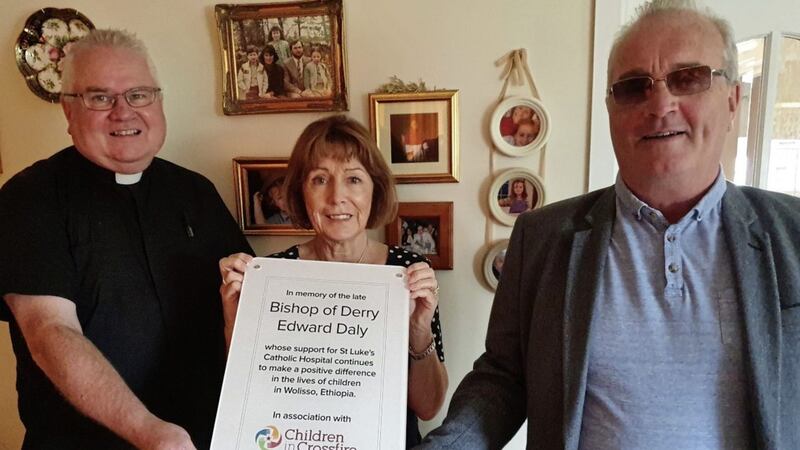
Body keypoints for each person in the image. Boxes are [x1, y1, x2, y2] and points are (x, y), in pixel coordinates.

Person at [419, 1, 800, 448]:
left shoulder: (792, 234)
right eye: (634, 87)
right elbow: (503, 379)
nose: (661, 104)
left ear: (733, 100)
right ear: (610, 110)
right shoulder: (541, 238)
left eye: (687, 78)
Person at [0, 29, 253, 449]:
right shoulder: (30, 198)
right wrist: (148, 431)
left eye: (139, 95)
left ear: (158, 101)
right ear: (68, 110)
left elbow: (250, 311)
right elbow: (48, 331)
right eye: (100, 98)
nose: (124, 112)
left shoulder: (196, 192)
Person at [219, 115, 448, 448]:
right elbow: (247, 399)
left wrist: (418, 329)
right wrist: (234, 324)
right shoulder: (272, 275)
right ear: (300, 192)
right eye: (320, 179)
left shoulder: (408, 271)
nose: (337, 196)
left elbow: (428, 408)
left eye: (354, 179)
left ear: (375, 189)